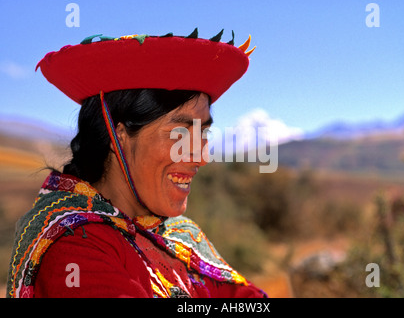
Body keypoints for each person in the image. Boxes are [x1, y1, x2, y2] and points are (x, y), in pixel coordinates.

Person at [6, 29, 266, 298]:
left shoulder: (180, 238)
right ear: (119, 135)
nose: (201, 157)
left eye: (203, 133)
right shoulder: (74, 248)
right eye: (181, 134)